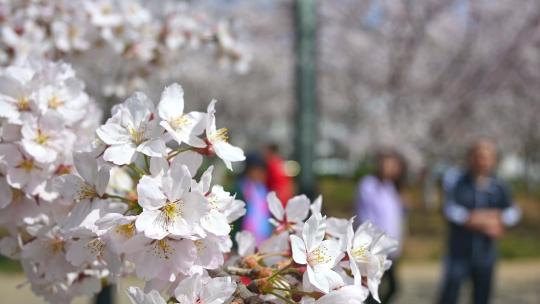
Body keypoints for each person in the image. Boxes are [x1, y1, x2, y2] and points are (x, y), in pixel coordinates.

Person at [438, 139, 521, 304]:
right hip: (458, 252)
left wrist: (496, 220)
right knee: (449, 296)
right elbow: (451, 211)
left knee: (482, 297)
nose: (482, 160)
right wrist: (488, 219)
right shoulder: (457, 182)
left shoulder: (500, 185)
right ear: (470, 158)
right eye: (478, 156)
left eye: (487, 156)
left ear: (493, 159)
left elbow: (513, 212)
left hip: (486, 254)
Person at [356, 149, 407, 304]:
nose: (389, 168)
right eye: (386, 164)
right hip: (375, 248)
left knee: (388, 288)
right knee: (373, 288)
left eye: (393, 165)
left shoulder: (392, 188)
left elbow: (396, 219)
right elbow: (365, 215)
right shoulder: (368, 184)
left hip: (390, 249)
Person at [236, 153, 273, 245]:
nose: (261, 174)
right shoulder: (240, 188)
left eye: (263, 171)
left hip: (262, 239)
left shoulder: (263, 189)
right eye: (257, 170)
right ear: (248, 170)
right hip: (242, 239)